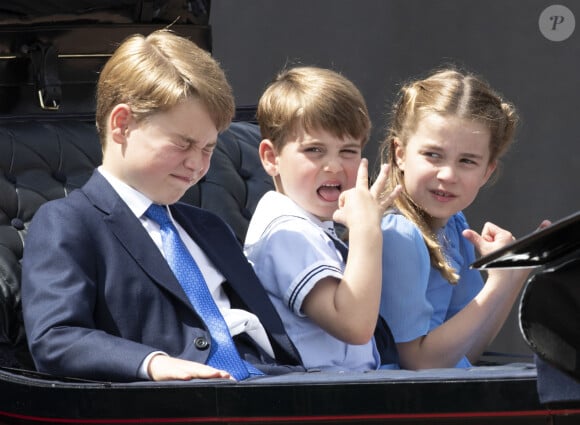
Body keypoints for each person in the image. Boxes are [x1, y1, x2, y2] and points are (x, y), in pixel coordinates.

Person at [21, 29, 302, 382]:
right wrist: (153, 363)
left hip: (271, 387)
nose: (197, 165)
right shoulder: (68, 222)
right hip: (176, 405)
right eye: (182, 144)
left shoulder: (211, 229)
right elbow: (56, 337)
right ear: (122, 125)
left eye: (208, 149)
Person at [377, 67, 550, 369]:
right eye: (432, 155)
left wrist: (512, 277)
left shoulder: (454, 225)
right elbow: (418, 364)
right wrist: (496, 285)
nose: (448, 175)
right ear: (400, 154)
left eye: (467, 161)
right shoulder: (398, 234)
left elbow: (464, 353)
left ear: (487, 171)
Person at [244, 66, 401, 371]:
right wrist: (367, 231)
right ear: (270, 157)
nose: (333, 166)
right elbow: (354, 326)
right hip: (319, 397)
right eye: (314, 150)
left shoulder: (310, 225)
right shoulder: (286, 232)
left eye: (348, 150)